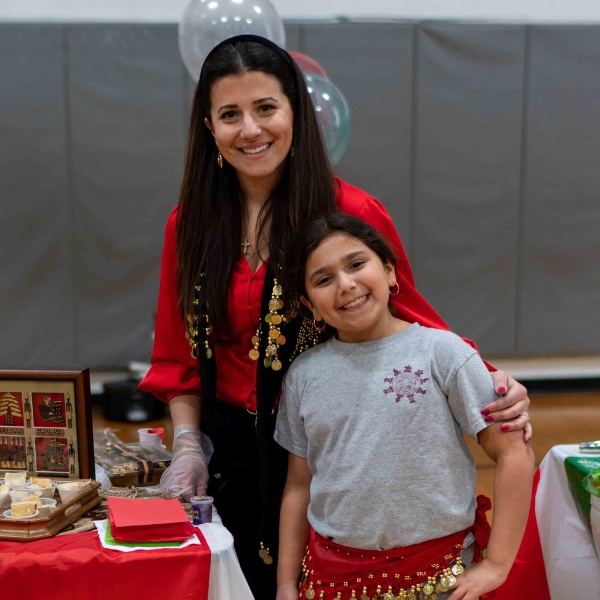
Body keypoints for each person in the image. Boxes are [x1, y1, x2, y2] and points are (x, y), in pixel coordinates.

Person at [138, 35, 531, 598]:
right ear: (208, 128)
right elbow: (177, 352)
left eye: (266, 108)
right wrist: (187, 446)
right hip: (229, 455)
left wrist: (493, 385)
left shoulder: (350, 212)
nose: (250, 130)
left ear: (297, 110)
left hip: (329, 448)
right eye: (230, 115)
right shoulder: (189, 224)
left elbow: (414, 318)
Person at [274, 214, 535, 600]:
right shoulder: (303, 375)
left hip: (440, 578)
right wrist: (285, 584)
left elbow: (514, 453)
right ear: (309, 304)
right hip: (333, 581)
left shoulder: (443, 353)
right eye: (324, 279)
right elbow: (299, 486)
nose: (346, 285)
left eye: (356, 264)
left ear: (391, 272)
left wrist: (496, 565)